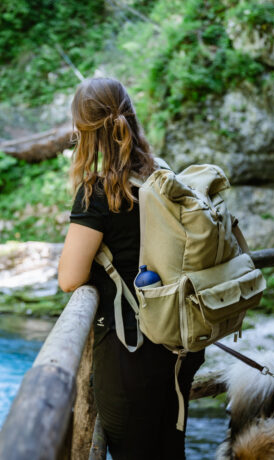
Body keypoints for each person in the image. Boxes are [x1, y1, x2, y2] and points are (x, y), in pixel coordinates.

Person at [58, 77, 205, 460]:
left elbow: (69, 278)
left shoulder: (98, 193)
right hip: (178, 344)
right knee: (171, 449)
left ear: (83, 132)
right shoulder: (163, 177)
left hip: (130, 351)